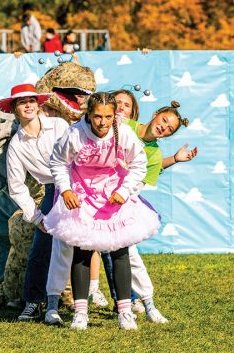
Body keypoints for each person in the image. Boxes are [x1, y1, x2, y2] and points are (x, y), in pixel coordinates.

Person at [44, 92, 161, 330]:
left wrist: (125, 190)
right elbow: (58, 161)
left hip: (113, 194)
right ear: (89, 114)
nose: (102, 122)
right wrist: (65, 190)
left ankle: (125, 312)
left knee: (120, 250)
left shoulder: (124, 133)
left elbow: (139, 164)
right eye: (97, 116)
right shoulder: (75, 134)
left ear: (114, 116)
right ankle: (80, 312)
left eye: (108, 117)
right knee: (82, 250)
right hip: (82, 194)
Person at [102, 91, 197, 323]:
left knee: (128, 253)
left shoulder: (154, 155)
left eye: (170, 129)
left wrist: (120, 197)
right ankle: (63, 304)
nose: (164, 127)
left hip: (121, 203)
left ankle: (147, 304)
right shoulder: (124, 125)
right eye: (164, 120)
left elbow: (137, 186)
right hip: (94, 196)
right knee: (75, 250)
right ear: (155, 115)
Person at [0, 84, 70, 321]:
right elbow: (16, 187)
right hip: (52, 191)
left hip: (78, 185)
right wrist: (37, 217)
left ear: (39, 104)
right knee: (40, 248)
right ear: (14, 109)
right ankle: (34, 302)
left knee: (104, 244)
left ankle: (125, 301)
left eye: (31, 100)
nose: (27, 105)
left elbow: (77, 154)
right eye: (21, 102)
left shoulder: (59, 125)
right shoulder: (16, 145)